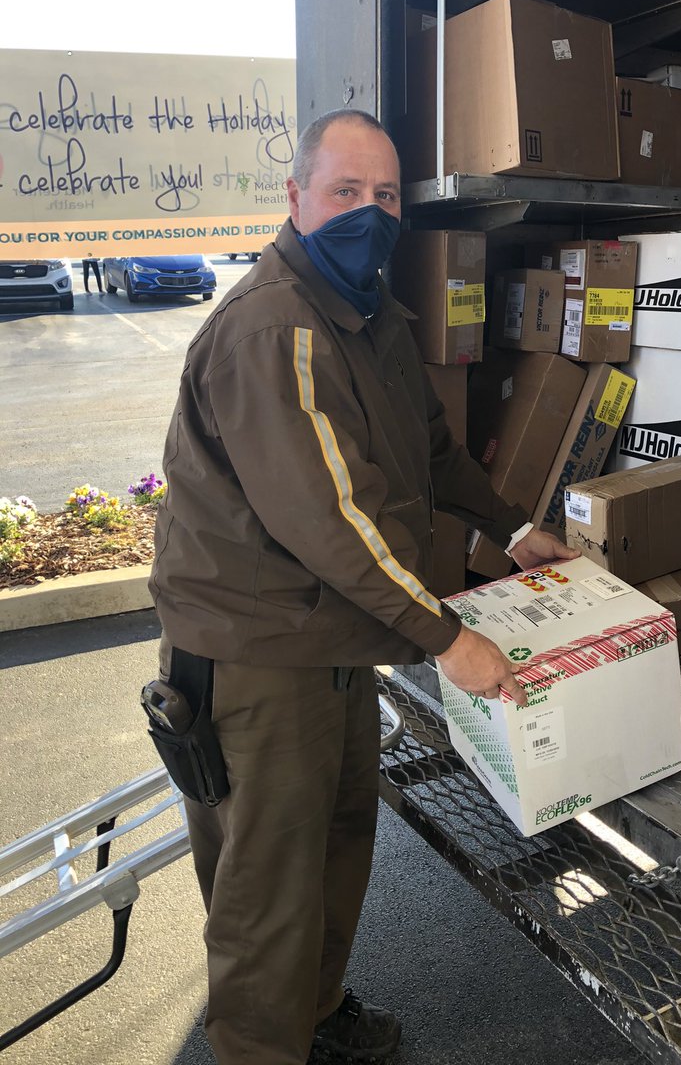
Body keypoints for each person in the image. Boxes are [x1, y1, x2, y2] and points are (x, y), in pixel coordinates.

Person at [149, 108, 577, 1065]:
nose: (369, 214)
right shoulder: (275, 331)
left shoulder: (371, 316)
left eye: (386, 196)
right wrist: (444, 637)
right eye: (345, 192)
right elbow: (330, 520)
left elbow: (429, 454)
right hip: (256, 655)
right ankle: (266, 1046)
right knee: (267, 887)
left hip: (333, 641)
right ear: (295, 198)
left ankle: (317, 1013)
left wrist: (510, 528)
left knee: (339, 844)